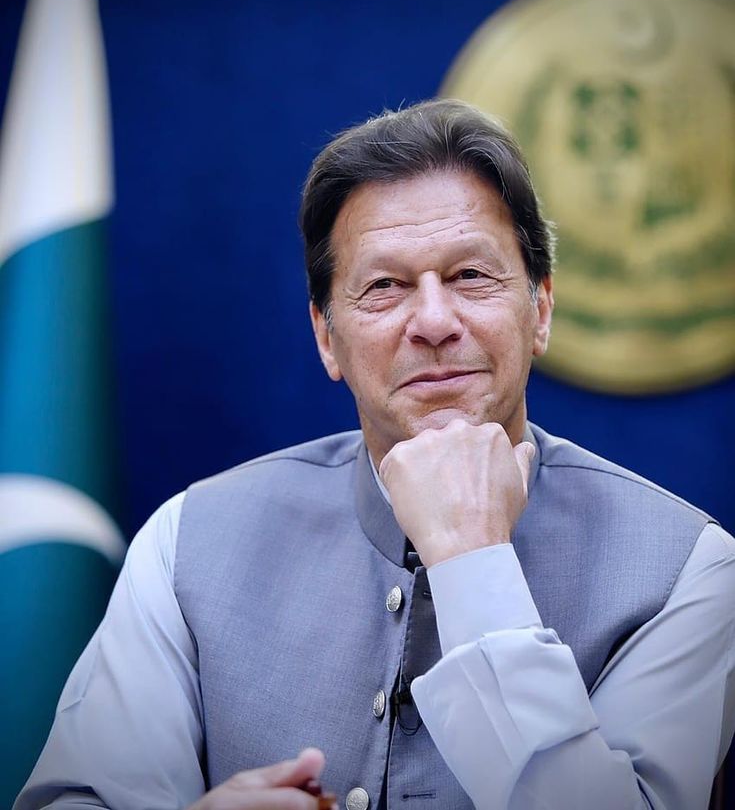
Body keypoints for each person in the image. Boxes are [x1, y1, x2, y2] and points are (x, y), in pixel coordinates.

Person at [16, 99, 735, 810]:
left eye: (469, 276)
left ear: (539, 308)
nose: (431, 321)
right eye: (384, 286)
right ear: (327, 337)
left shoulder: (689, 567)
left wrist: (471, 562)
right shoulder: (187, 542)